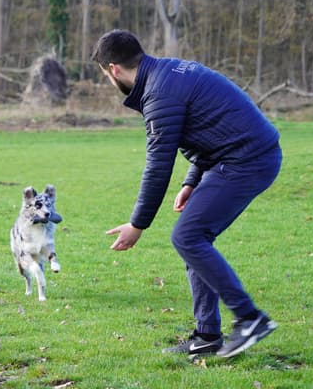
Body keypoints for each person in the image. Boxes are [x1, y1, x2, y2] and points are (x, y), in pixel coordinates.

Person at [92, 29, 282, 358]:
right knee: (194, 239)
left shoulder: (159, 92)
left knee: (188, 236)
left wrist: (137, 224)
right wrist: (192, 181)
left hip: (247, 160)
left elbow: (158, 164)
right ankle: (207, 336)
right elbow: (209, 126)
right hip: (239, 155)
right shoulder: (166, 73)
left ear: (114, 69)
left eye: (107, 76)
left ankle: (250, 319)